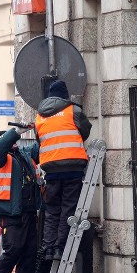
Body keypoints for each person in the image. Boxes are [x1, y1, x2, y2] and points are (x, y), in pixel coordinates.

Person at [35, 79, 92, 260]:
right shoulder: (73, 110)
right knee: (68, 209)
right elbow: (85, 130)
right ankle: (60, 248)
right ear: (65, 95)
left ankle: (49, 249)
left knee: (52, 210)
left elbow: (40, 141)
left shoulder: (39, 116)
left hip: (51, 170)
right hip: (73, 168)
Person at [0, 127, 41, 273]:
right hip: (11, 214)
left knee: (29, 252)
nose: (15, 143)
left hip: (29, 212)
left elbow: (38, 149)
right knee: (13, 249)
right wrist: (16, 131)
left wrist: (42, 128)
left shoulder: (22, 155)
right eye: (12, 140)